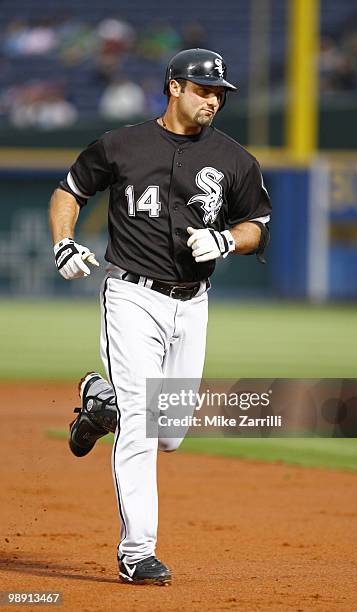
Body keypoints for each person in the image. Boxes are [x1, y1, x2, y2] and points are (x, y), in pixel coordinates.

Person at [49, 48, 271, 586]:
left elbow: (258, 224)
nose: (212, 99)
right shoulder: (121, 145)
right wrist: (63, 243)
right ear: (174, 88)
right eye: (203, 90)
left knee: (168, 432)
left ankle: (102, 402)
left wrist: (226, 238)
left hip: (192, 302)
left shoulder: (235, 159)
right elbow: (69, 191)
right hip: (131, 297)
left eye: (219, 92)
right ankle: (136, 552)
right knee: (143, 432)